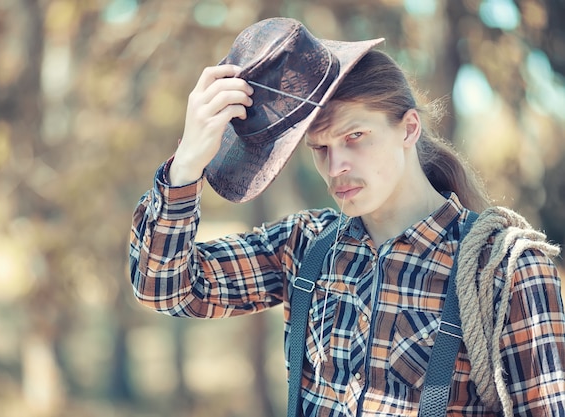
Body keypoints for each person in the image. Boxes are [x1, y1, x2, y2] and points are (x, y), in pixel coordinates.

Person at [128, 17, 565, 416]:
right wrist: (186, 168)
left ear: (409, 128)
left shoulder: (506, 272)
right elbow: (164, 288)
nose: (335, 167)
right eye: (320, 148)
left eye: (355, 136)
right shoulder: (305, 247)